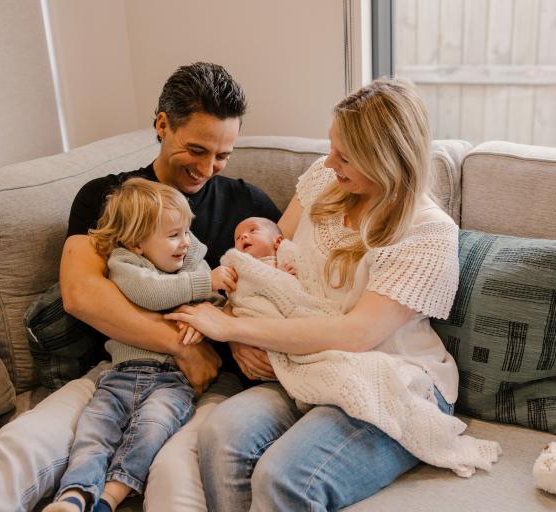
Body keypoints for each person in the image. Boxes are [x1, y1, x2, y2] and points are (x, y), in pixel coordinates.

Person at [0, 62, 280, 512]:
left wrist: (236, 334)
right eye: (196, 149)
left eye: (222, 155)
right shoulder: (108, 198)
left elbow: (280, 287)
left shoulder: (249, 206)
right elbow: (82, 294)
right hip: (119, 368)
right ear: (162, 125)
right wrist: (180, 346)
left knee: (176, 476)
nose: (207, 168)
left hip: (208, 384)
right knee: (21, 444)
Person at [165, 78, 465, 511]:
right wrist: (239, 335)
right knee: (222, 432)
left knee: (285, 477)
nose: (329, 161)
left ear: (386, 160)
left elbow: (357, 334)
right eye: (332, 146)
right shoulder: (327, 180)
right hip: (306, 363)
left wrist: (231, 325)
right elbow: (263, 261)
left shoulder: (428, 234)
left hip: (388, 377)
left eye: (345, 156)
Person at [45, 178, 229, 512]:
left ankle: (109, 498)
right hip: (122, 375)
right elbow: (152, 292)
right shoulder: (126, 265)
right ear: (136, 243)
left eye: (187, 232)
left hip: (174, 381)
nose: (185, 243)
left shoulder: (190, 263)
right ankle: (74, 495)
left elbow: (212, 302)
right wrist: (205, 281)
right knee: (94, 431)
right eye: (173, 235)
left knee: (150, 431)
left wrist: (203, 319)